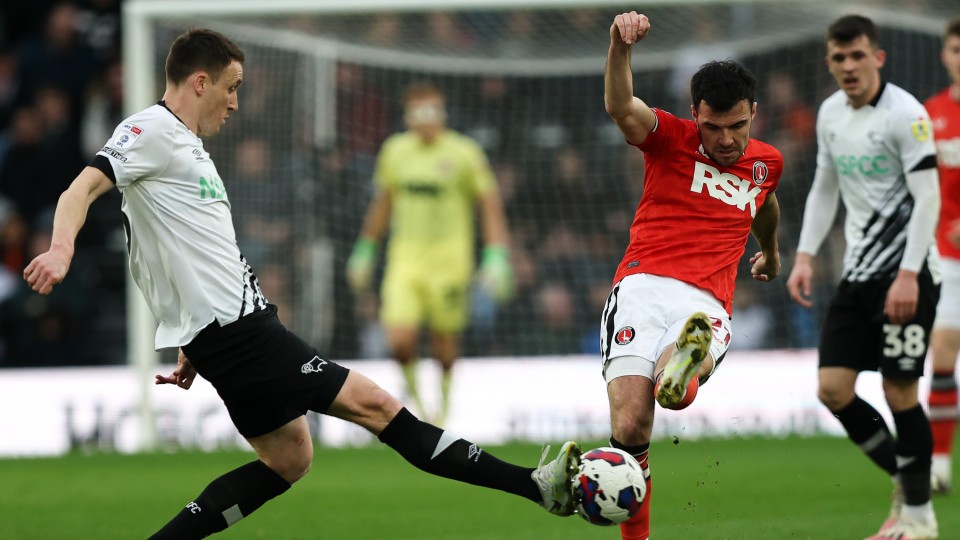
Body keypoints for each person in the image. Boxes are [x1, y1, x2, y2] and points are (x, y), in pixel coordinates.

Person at [22, 28, 580, 538]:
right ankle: (536, 485)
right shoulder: (150, 130)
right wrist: (62, 247)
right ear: (200, 81)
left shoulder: (187, 148)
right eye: (232, 86)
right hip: (243, 334)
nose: (236, 102)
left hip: (224, 334)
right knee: (379, 408)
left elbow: (186, 251)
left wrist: (193, 339)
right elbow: (80, 189)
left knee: (289, 458)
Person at [602, 12, 782, 540]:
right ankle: (680, 369)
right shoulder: (668, 137)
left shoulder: (767, 163)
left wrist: (769, 252)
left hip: (704, 301)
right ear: (693, 114)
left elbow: (765, 205)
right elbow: (619, 105)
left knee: (671, 396)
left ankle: (683, 366)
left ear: (754, 113)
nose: (726, 140)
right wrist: (619, 46)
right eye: (713, 127)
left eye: (738, 127)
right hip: (640, 285)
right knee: (629, 427)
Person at [786, 15, 941, 540]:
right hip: (857, 274)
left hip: (909, 274)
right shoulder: (831, 113)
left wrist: (909, 275)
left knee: (900, 391)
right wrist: (805, 255)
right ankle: (909, 484)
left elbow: (928, 199)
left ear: (878, 57)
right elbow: (825, 187)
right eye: (839, 57)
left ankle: (919, 519)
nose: (848, 67)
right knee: (832, 389)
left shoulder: (906, 116)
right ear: (829, 62)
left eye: (858, 56)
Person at [346, 81, 513, 427]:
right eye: (419, 112)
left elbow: (489, 204)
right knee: (400, 340)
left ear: (443, 112)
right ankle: (421, 410)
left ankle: (445, 410)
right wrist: (365, 249)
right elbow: (383, 202)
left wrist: (496, 255)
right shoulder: (395, 151)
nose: (427, 119)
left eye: (433, 110)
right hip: (405, 261)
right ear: (408, 116)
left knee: (444, 342)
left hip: (451, 264)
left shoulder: (464, 153)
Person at [924, 17, 960, 496]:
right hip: (946, 254)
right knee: (944, 353)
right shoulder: (929, 114)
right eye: (955, 49)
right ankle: (938, 462)